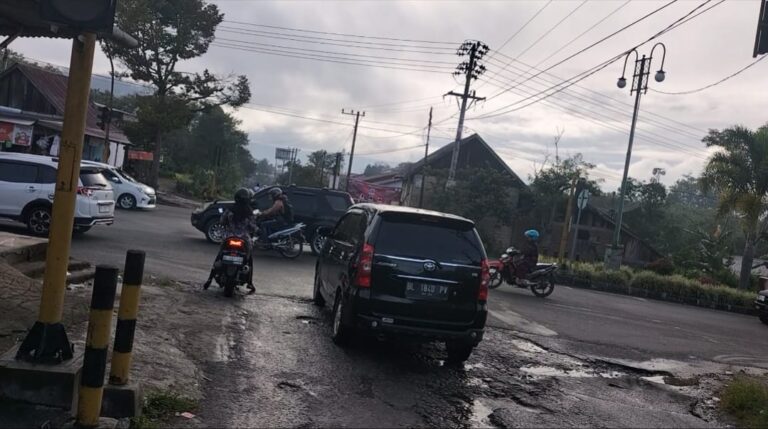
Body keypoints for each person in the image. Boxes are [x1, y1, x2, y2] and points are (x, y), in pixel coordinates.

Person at [203, 188, 257, 293]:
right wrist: (257, 230)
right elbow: (253, 227)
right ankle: (250, 283)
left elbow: (222, 221)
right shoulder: (250, 212)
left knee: (219, 256)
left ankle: (209, 279)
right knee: (249, 258)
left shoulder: (230, 209)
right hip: (244, 238)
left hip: (229, 236)